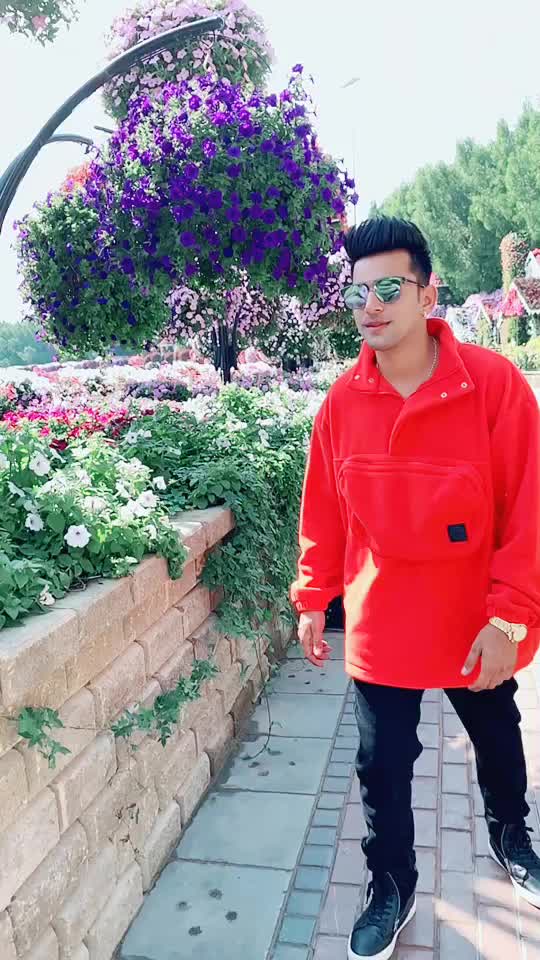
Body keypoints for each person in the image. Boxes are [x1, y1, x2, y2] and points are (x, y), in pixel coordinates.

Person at [290, 216, 540, 960]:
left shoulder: (492, 386)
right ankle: (391, 882)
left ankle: (512, 835)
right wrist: (313, 596)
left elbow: (528, 510)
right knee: (381, 767)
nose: (370, 306)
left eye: (389, 289)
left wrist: (511, 618)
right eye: (357, 293)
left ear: (428, 293)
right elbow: (323, 510)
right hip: (384, 621)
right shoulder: (342, 403)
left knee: (498, 740)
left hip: (473, 618)